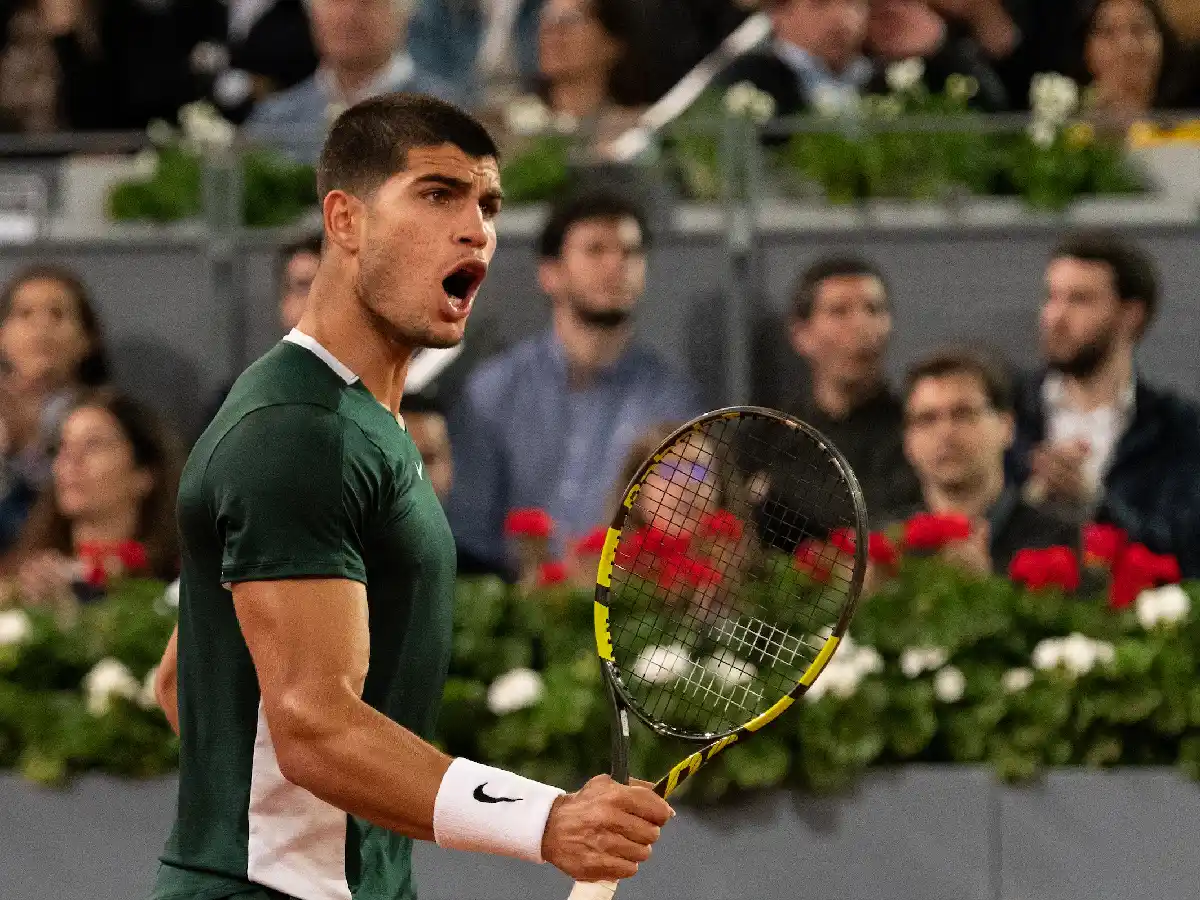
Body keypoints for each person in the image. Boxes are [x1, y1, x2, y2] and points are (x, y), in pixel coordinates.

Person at [150, 93, 671, 900]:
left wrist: (275, 823)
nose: (475, 230)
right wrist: (547, 821)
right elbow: (314, 726)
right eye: (437, 194)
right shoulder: (301, 432)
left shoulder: (354, 422)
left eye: (487, 204)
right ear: (346, 220)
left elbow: (183, 682)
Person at [444, 189, 704, 576]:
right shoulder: (493, 392)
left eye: (631, 252)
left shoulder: (671, 398)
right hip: (515, 597)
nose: (616, 264)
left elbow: (688, 521)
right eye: (596, 250)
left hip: (627, 598)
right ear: (550, 274)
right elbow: (469, 533)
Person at [1007, 231, 1200, 578]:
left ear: (1131, 315)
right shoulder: (1005, 411)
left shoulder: (1178, 429)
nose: (1055, 317)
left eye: (1079, 300)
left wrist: (1093, 504)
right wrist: (1031, 496)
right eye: (1051, 297)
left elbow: (1184, 552)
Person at [899, 349, 1079, 576]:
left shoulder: (1059, 542)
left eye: (963, 414)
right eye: (927, 419)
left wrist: (982, 586)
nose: (945, 433)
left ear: (1007, 427)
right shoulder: (889, 546)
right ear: (907, 441)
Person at [777, 255, 921, 524]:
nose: (861, 326)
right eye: (839, 312)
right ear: (800, 334)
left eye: (874, 310)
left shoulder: (919, 431)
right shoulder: (766, 436)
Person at [4, 391, 182, 603]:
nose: (71, 460)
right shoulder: (22, 578)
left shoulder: (178, 585)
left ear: (144, 475)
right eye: (63, 446)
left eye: (93, 444)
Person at [246, 0, 459, 163]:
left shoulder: (448, 117)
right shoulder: (273, 121)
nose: (349, 14)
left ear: (404, 14)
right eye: (336, 1)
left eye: (366, 2)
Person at [0, 264, 109, 553]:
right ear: (2, 335)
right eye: (25, 314)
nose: (41, 327)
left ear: (87, 339)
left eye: (58, 314)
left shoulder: (109, 418)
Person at [719, 0, 872, 118]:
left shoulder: (876, 80)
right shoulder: (744, 83)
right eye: (821, 4)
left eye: (853, 3)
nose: (842, 19)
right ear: (778, 13)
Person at [1076, 0, 1198, 123]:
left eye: (1138, 29)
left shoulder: (1190, 118)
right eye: (1108, 32)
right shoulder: (1071, 122)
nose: (1127, 46)